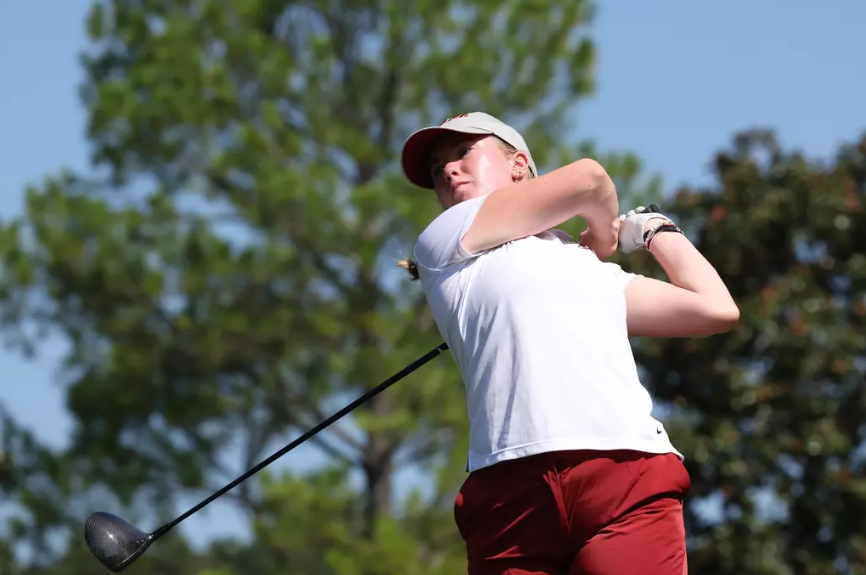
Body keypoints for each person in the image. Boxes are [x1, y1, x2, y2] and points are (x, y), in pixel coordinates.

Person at [397, 112, 740, 575]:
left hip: (625, 473)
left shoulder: (587, 269)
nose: (449, 171)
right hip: (510, 494)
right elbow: (590, 179)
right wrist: (604, 236)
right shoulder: (444, 241)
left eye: (463, 153)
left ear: (518, 165)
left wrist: (653, 228)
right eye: (438, 170)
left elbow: (715, 309)